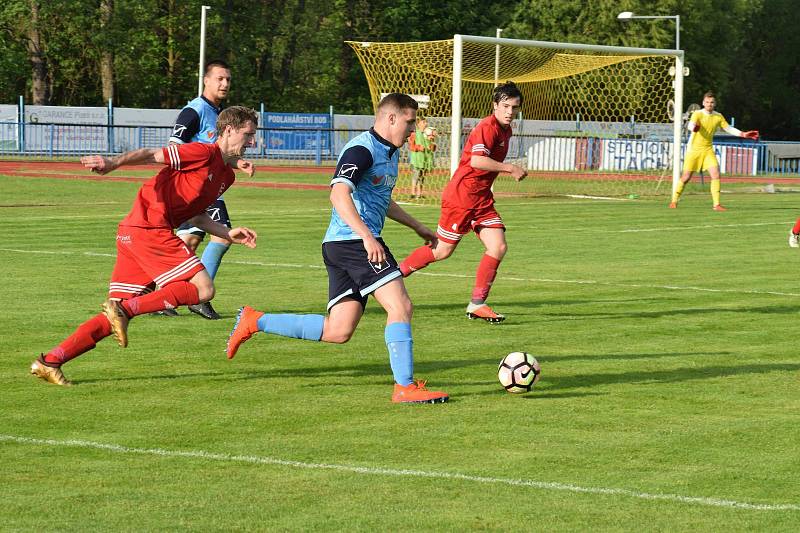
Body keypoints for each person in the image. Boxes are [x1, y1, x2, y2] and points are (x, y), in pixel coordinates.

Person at [226, 93, 448, 404]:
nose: (413, 129)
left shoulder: (390, 152)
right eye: (410, 122)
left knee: (338, 330)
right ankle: (405, 387)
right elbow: (338, 194)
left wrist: (416, 226)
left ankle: (254, 320)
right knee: (400, 306)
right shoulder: (362, 149)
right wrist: (367, 237)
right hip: (353, 242)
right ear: (391, 118)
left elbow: (379, 198)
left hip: (341, 244)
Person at [30, 106, 260, 386]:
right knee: (203, 289)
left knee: (116, 311)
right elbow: (151, 154)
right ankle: (126, 312)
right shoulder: (201, 152)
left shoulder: (227, 176)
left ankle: (50, 361)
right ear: (228, 130)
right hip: (149, 228)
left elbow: (196, 215)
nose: (252, 142)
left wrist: (226, 231)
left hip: (135, 232)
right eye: (248, 135)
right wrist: (112, 163)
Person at [398, 81, 527, 323]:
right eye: (506, 106)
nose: (510, 111)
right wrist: (510, 167)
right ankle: (392, 275)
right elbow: (477, 161)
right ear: (495, 106)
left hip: (481, 199)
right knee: (442, 251)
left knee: (498, 246)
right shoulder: (487, 127)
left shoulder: (506, 129)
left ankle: (477, 304)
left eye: (514, 107)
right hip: (462, 198)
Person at [167, 59, 252, 320]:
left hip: (208, 188)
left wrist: (237, 161)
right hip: (196, 188)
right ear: (206, 80)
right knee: (224, 236)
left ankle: (164, 297)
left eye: (228, 79)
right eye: (219, 78)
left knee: (188, 242)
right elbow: (173, 146)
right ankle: (198, 298)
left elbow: (218, 151)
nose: (224, 83)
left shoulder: (221, 113)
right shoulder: (194, 111)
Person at [669, 91, 759, 211]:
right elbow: (691, 125)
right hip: (694, 150)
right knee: (686, 177)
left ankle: (716, 205)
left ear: (714, 103)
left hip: (708, 150)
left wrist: (743, 134)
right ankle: (674, 200)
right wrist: (694, 127)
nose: (709, 104)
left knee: (716, 174)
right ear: (703, 103)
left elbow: (728, 128)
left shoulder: (718, 116)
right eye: (707, 102)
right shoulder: (697, 114)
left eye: (711, 102)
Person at [407, 117, 436, 198]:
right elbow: (411, 146)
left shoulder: (427, 134)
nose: (426, 124)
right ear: (418, 124)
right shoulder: (414, 134)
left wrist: (432, 144)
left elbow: (433, 149)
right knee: (416, 175)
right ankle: (413, 193)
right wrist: (418, 148)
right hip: (417, 159)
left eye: (426, 122)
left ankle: (419, 194)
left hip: (425, 160)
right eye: (423, 122)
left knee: (422, 177)